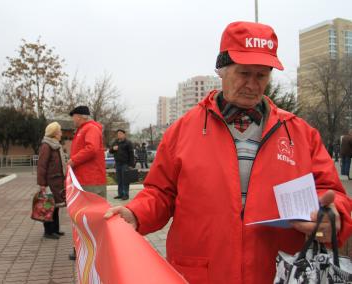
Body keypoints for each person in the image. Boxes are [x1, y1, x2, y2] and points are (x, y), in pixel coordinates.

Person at [104, 21, 352, 284]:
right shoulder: (183, 130)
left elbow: (333, 193)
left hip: (277, 272)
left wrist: (333, 216)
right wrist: (136, 213)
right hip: (203, 273)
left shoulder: (300, 133)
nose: (252, 85)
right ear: (221, 70)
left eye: (261, 76)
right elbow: (160, 193)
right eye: (244, 73)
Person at [67, 105, 106, 260]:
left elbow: (91, 149)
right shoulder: (84, 129)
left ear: (81, 116)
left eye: (74, 116)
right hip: (85, 179)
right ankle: (83, 248)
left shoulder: (90, 129)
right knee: (84, 215)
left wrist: (73, 161)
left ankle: (93, 250)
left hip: (91, 180)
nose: (73, 119)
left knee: (90, 216)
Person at [37, 122, 66, 240]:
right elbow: (41, 166)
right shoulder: (46, 146)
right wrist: (42, 184)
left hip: (57, 181)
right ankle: (48, 231)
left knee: (56, 206)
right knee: (49, 206)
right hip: (50, 181)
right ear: (54, 133)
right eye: (60, 131)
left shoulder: (56, 145)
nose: (61, 133)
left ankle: (55, 229)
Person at [109, 129, 135, 200]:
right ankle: (120, 194)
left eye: (120, 133)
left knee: (125, 180)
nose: (119, 135)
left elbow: (131, 154)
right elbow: (110, 151)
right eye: (118, 134)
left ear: (124, 134)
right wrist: (113, 149)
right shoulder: (116, 142)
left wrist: (131, 165)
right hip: (118, 163)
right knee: (119, 179)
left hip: (125, 164)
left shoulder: (128, 142)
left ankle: (126, 194)